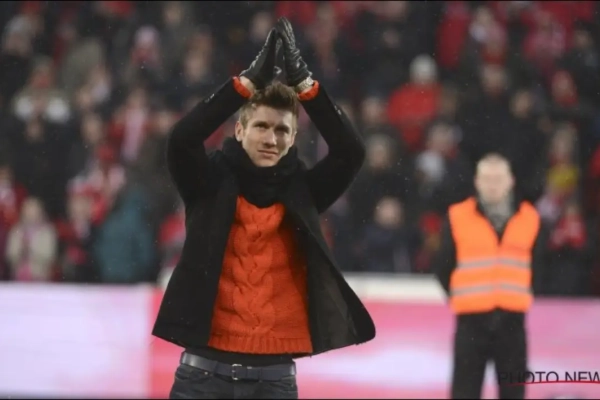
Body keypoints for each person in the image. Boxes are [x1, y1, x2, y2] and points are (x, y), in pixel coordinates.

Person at [153, 18, 376, 400]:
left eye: (282, 130)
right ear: (239, 130)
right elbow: (181, 140)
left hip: (274, 383)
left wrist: (305, 84)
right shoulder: (207, 183)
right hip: (201, 378)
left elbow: (350, 152)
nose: (271, 138)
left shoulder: (304, 192)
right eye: (261, 126)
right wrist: (244, 84)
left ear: (293, 139)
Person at [433, 153, 546, 399]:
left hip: (512, 321)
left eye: (498, 178)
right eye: (487, 178)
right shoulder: (457, 216)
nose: (492, 185)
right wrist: (461, 296)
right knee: (465, 391)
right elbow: (442, 265)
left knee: (513, 392)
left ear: (510, 181)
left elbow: (540, 265)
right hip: (471, 321)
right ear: (477, 181)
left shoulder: (530, 218)